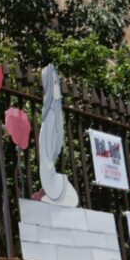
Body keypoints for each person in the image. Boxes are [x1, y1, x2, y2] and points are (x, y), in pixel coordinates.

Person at [38, 64, 79, 207]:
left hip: (50, 168)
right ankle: (52, 197)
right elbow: (47, 144)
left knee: (72, 198)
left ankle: (51, 198)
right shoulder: (50, 114)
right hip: (49, 170)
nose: (57, 88)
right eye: (54, 83)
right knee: (72, 199)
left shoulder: (55, 113)